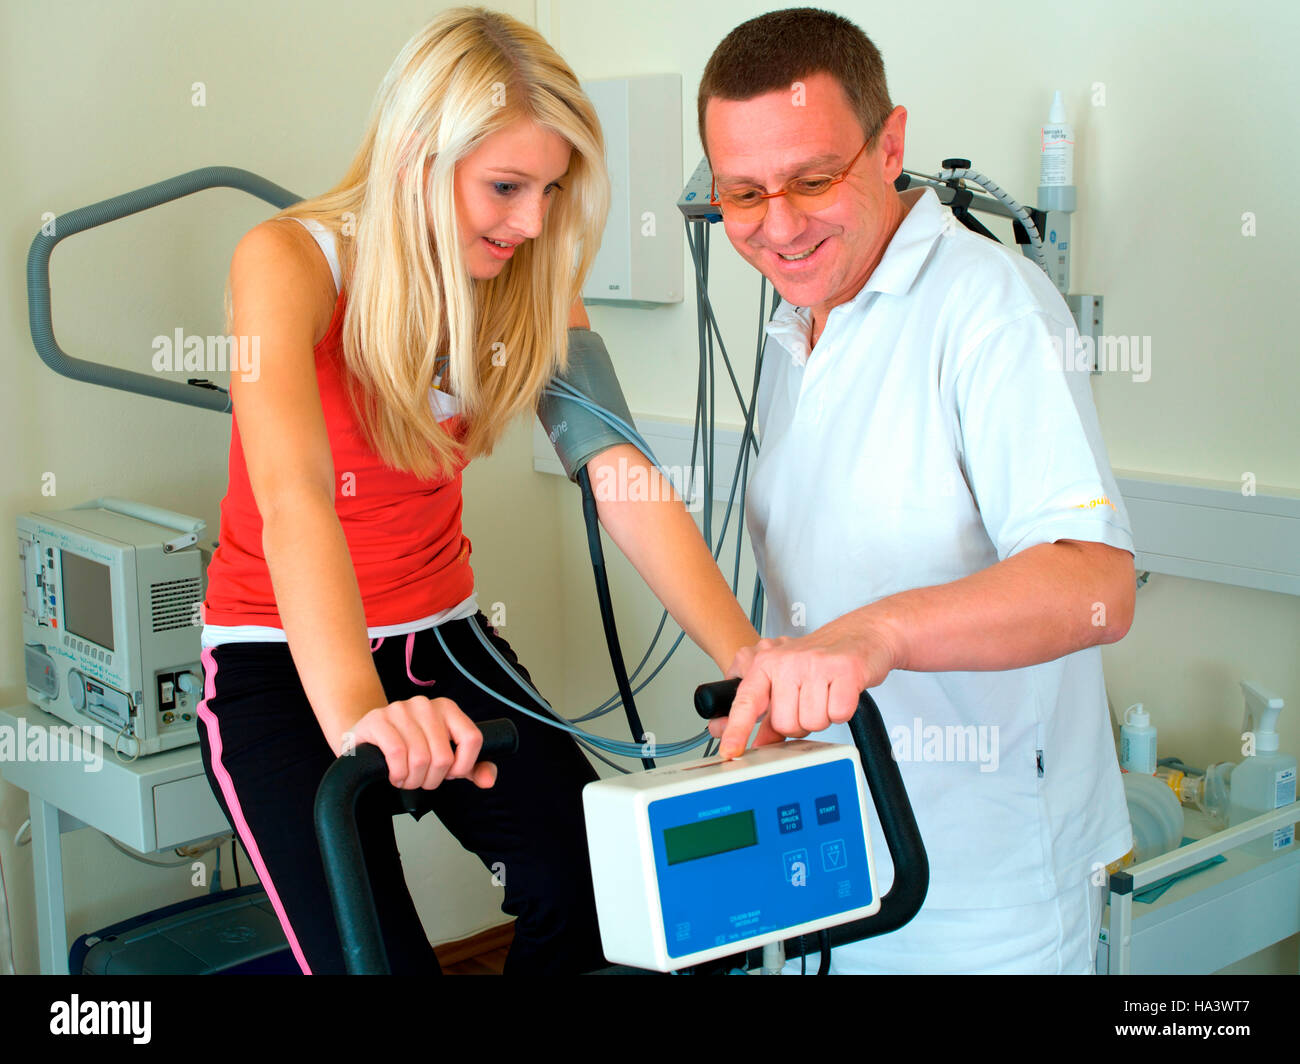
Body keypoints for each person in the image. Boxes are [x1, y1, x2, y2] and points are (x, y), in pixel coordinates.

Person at [196, 6, 758, 975]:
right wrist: (360, 722)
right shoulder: (286, 262)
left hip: (443, 633)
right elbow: (295, 502)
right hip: (279, 659)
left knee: (593, 897)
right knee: (372, 961)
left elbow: (618, 470)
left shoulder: (529, 278)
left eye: (549, 189)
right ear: (418, 153)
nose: (533, 221)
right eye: (505, 186)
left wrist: (749, 660)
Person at [697, 8, 1137, 974]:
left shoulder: (991, 307)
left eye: (813, 179)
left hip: (986, 891)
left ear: (891, 143)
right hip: (837, 849)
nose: (779, 225)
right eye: (741, 194)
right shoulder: (800, 322)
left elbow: (1097, 585)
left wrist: (877, 634)